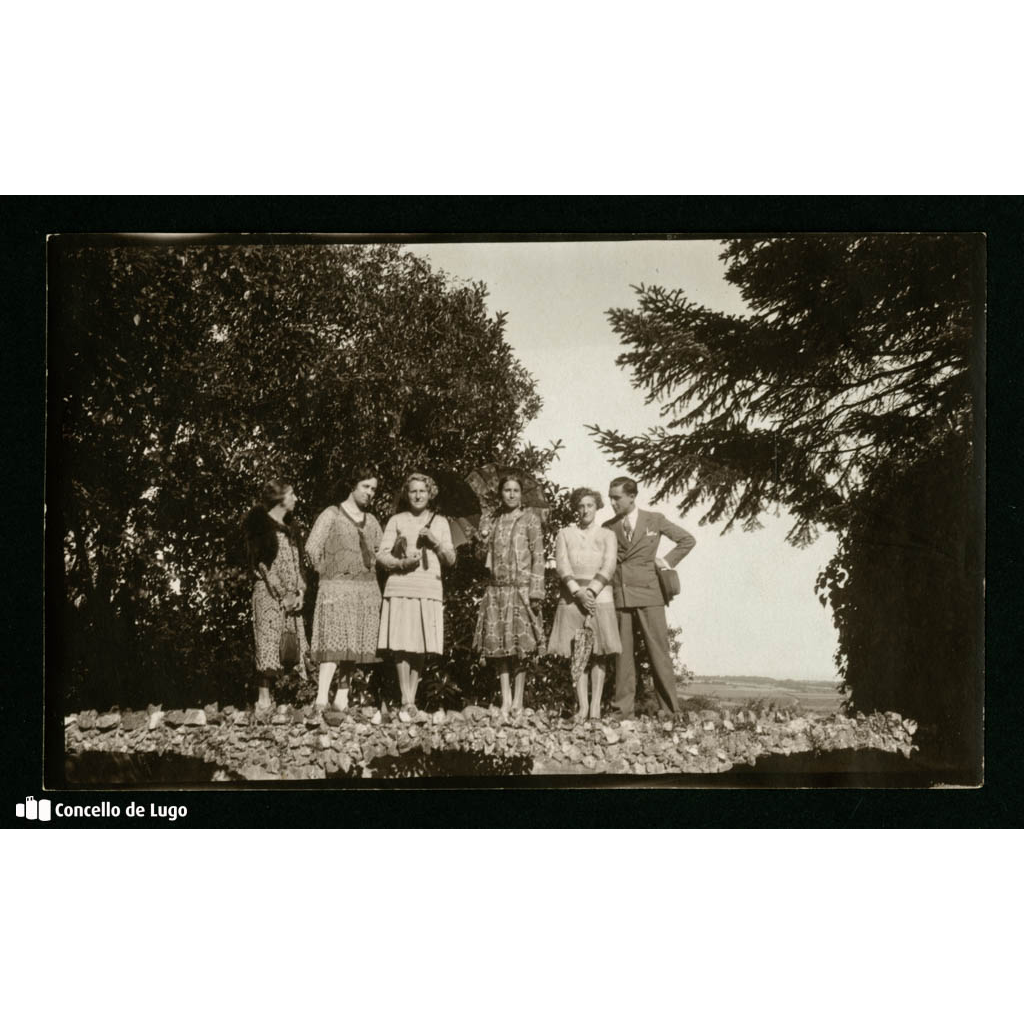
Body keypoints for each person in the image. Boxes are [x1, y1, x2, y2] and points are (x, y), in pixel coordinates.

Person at [604, 476, 696, 718]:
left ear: (632, 496)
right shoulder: (608, 527)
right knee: (622, 656)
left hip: (650, 593)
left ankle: (670, 709)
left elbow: (687, 540)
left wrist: (666, 561)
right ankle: (622, 710)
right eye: (610, 498)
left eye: (617, 498)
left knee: (659, 652)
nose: (612, 503)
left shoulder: (654, 520)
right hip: (621, 595)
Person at [376, 472, 456, 710]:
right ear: (406, 494)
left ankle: (412, 696)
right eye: (413, 491)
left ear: (430, 494)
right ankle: (406, 698)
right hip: (400, 585)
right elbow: (382, 554)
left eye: (422, 491)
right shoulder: (397, 520)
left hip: (428, 586)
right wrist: (401, 563)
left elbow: (451, 559)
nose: (418, 495)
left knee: (420, 642)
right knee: (401, 642)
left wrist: (435, 542)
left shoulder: (440, 523)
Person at [305, 468, 384, 711]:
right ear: (353, 485)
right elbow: (311, 548)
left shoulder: (372, 521)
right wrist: (326, 574)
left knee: (354, 646)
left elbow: (382, 553)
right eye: (365, 486)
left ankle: (341, 697)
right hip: (336, 588)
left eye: (373, 489)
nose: (370, 493)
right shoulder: (332, 514)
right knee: (333, 641)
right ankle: (320, 698)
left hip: (366, 589)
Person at [472, 473, 545, 718]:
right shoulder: (493, 521)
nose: (511, 495)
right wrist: (481, 538)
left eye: (515, 490)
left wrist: (536, 590)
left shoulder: (531, 520)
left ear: (521, 494)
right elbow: (480, 557)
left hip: (521, 588)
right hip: (497, 589)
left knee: (521, 646)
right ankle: (505, 699)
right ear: (500, 494)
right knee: (499, 646)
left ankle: (518, 700)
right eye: (507, 490)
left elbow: (539, 556)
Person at [548, 487, 621, 721]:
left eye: (590, 505)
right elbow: (562, 564)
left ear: (597, 507)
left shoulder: (607, 534)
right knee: (577, 652)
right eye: (581, 506)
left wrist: (591, 591)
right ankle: (582, 707)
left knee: (599, 652)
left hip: (600, 597)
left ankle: (596, 707)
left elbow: (609, 565)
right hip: (572, 598)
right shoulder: (565, 534)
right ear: (575, 508)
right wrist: (577, 592)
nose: (585, 510)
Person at [243, 479, 309, 710]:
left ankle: (290, 701)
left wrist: (300, 592)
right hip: (269, 596)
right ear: (280, 498)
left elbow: (299, 565)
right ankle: (263, 699)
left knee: (291, 646)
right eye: (292, 494)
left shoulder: (292, 529)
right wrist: (283, 595)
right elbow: (263, 565)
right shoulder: (261, 527)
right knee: (268, 643)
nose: (296, 499)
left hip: (291, 597)